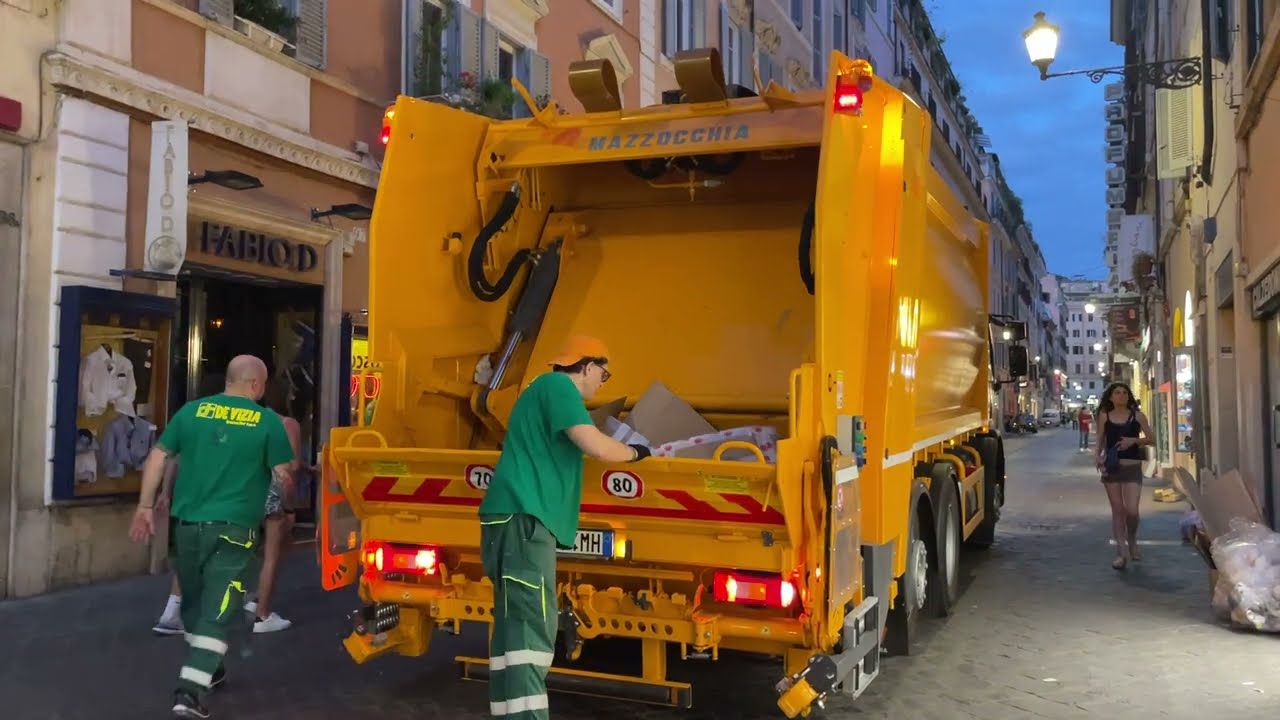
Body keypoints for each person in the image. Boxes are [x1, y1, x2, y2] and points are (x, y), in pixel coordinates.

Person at [477, 336, 651, 719]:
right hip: (525, 520)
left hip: (511, 520)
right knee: (531, 629)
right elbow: (593, 444)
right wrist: (639, 452)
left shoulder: (542, 392)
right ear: (586, 366)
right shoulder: (558, 386)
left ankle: (510, 714)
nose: (601, 383)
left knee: (512, 633)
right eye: (603, 375)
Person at [129, 355, 296, 719]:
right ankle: (190, 691)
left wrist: (145, 506)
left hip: (187, 528)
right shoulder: (267, 421)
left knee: (192, 603)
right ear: (256, 385)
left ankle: (211, 668)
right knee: (220, 609)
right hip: (235, 529)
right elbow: (283, 474)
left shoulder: (191, 412)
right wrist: (284, 500)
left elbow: (158, 457)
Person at [242, 379, 304, 633]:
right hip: (273, 493)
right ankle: (262, 613)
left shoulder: (249, 421)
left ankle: (254, 597)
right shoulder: (287, 424)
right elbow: (292, 466)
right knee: (272, 553)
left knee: (263, 548)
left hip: (246, 490)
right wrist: (290, 507)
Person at [1094, 382, 1155, 570]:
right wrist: (1097, 457)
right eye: (1117, 393)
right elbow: (1100, 440)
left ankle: (1132, 539)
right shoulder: (1105, 416)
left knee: (1132, 511)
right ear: (1111, 397)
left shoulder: (1137, 416)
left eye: (1124, 393)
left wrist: (1134, 440)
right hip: (1112, 467)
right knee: (1118, 509)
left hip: (1132, 466)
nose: (1121, 395)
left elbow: (1152, 439)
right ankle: (1121, 552)